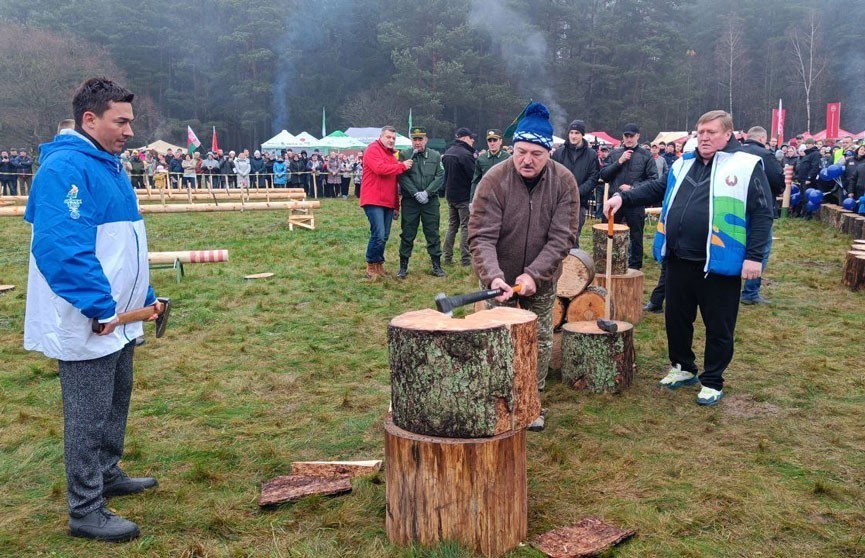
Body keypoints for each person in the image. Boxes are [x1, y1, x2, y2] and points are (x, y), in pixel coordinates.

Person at [23, 77, 162, 542]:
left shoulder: (111, 165)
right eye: (120, 121)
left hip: (119, 318)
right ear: (90, 119)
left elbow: (125, 245)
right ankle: (85, 509)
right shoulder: (66, 169)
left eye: (130, 121)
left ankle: (107, 473)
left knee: (115, 399)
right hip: (88, 316)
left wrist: (143, 295)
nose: (129, 131)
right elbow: (62, 247)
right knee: (87, 415)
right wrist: (99, 305)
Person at [604, 110, 773, 406]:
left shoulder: (746, 165)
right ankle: (683, 367)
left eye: (711, 132)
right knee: (676, 319)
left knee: (719, 325)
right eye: (700, 132)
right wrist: (624, 197)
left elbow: (762, 212)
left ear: (728, 134)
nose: (704, 137)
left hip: (720, 262)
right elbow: (657, 188)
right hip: (679, 258)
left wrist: (755, 257)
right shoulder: (683, 163)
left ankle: (712, 379)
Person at [469, 102, 579, 431]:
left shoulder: (564, 182)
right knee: (496, 337)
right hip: (498, 277)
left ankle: (532, 398)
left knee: (541, 338)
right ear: (511, 148)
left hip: (541, 279)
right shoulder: (493, 180)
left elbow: (563, 237)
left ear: (549, 152)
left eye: (536, 153)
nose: (527, 160)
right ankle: (498, 399)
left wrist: (534, 273)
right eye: (520, 151)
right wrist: (494, 277)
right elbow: (480, 236)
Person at [599, 123, 659, 270]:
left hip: (635, 201)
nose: (629, 139)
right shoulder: (614, 154)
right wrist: (619, 162)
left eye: (632, 136)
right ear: (623, 137)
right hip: (614, 200)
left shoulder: (646, 156)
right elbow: (604, 175)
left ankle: (635, 266)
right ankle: (606, 262)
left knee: (636, 235)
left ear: (638, 136)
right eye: (626, 136)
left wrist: (633, 188)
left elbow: (653, 179)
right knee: (607, 232)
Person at [740, 126, 785, 305]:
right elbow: (777, 181)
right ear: (762, 139)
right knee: (760, 248)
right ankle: (750, 292)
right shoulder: (765, 155)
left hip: (735, 207)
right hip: (760, 209)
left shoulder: (736, 153)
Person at [360, 126, 412, 278]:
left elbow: (393, 182)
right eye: (388, 137)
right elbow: (380, 169)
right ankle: (371, 264)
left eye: (393, 138)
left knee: (385, 235)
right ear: (381, 137)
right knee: (379, 233)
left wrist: (396, 205)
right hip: (373, 198)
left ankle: (378, 264)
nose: (391, 140)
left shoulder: (392, 155)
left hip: (388, 201)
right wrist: (401, 166)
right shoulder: (372, 149)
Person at [396, 126, 445, 278]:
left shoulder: (435, 156)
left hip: (430, 201)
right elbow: (402, 176)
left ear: (426, 140)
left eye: (420, 139)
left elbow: (440, 175)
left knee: (432, 232)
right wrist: (415, 192)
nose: (417, 142)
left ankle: (436, 265)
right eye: (414, 139)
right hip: (411, 201)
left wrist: (427, 192)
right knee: (407, 233)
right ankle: (403, 266)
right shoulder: (405, 155)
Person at [551, 119, 600, 248]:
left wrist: (577, 191)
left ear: (582, 135)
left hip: (580, 201)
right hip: (559, 200)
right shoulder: (559, 153)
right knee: (556, 234)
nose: (573, 136)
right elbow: (552, 175)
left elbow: (593, 177)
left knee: (574, 235)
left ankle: (573, 264)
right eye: (571, 132)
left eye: (577, 133)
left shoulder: (591, 155)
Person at [442, 127, 477, 266]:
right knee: (465, 227)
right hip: (463, 196)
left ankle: (447, 257)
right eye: (471, 137)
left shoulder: (448, 152)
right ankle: (465, 259)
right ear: (464, 138)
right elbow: (473, 175)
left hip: (450, 195)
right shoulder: (465, 155)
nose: (473, 140)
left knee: (452, 227)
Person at [470, 128, 510, 204]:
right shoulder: (481, 159)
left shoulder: (508, 158)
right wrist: (472, 201)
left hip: (504, 198)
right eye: (489, 140)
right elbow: (476, 181)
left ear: (500, 141)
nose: (492, 143)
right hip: (486, 198)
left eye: (495, 140)